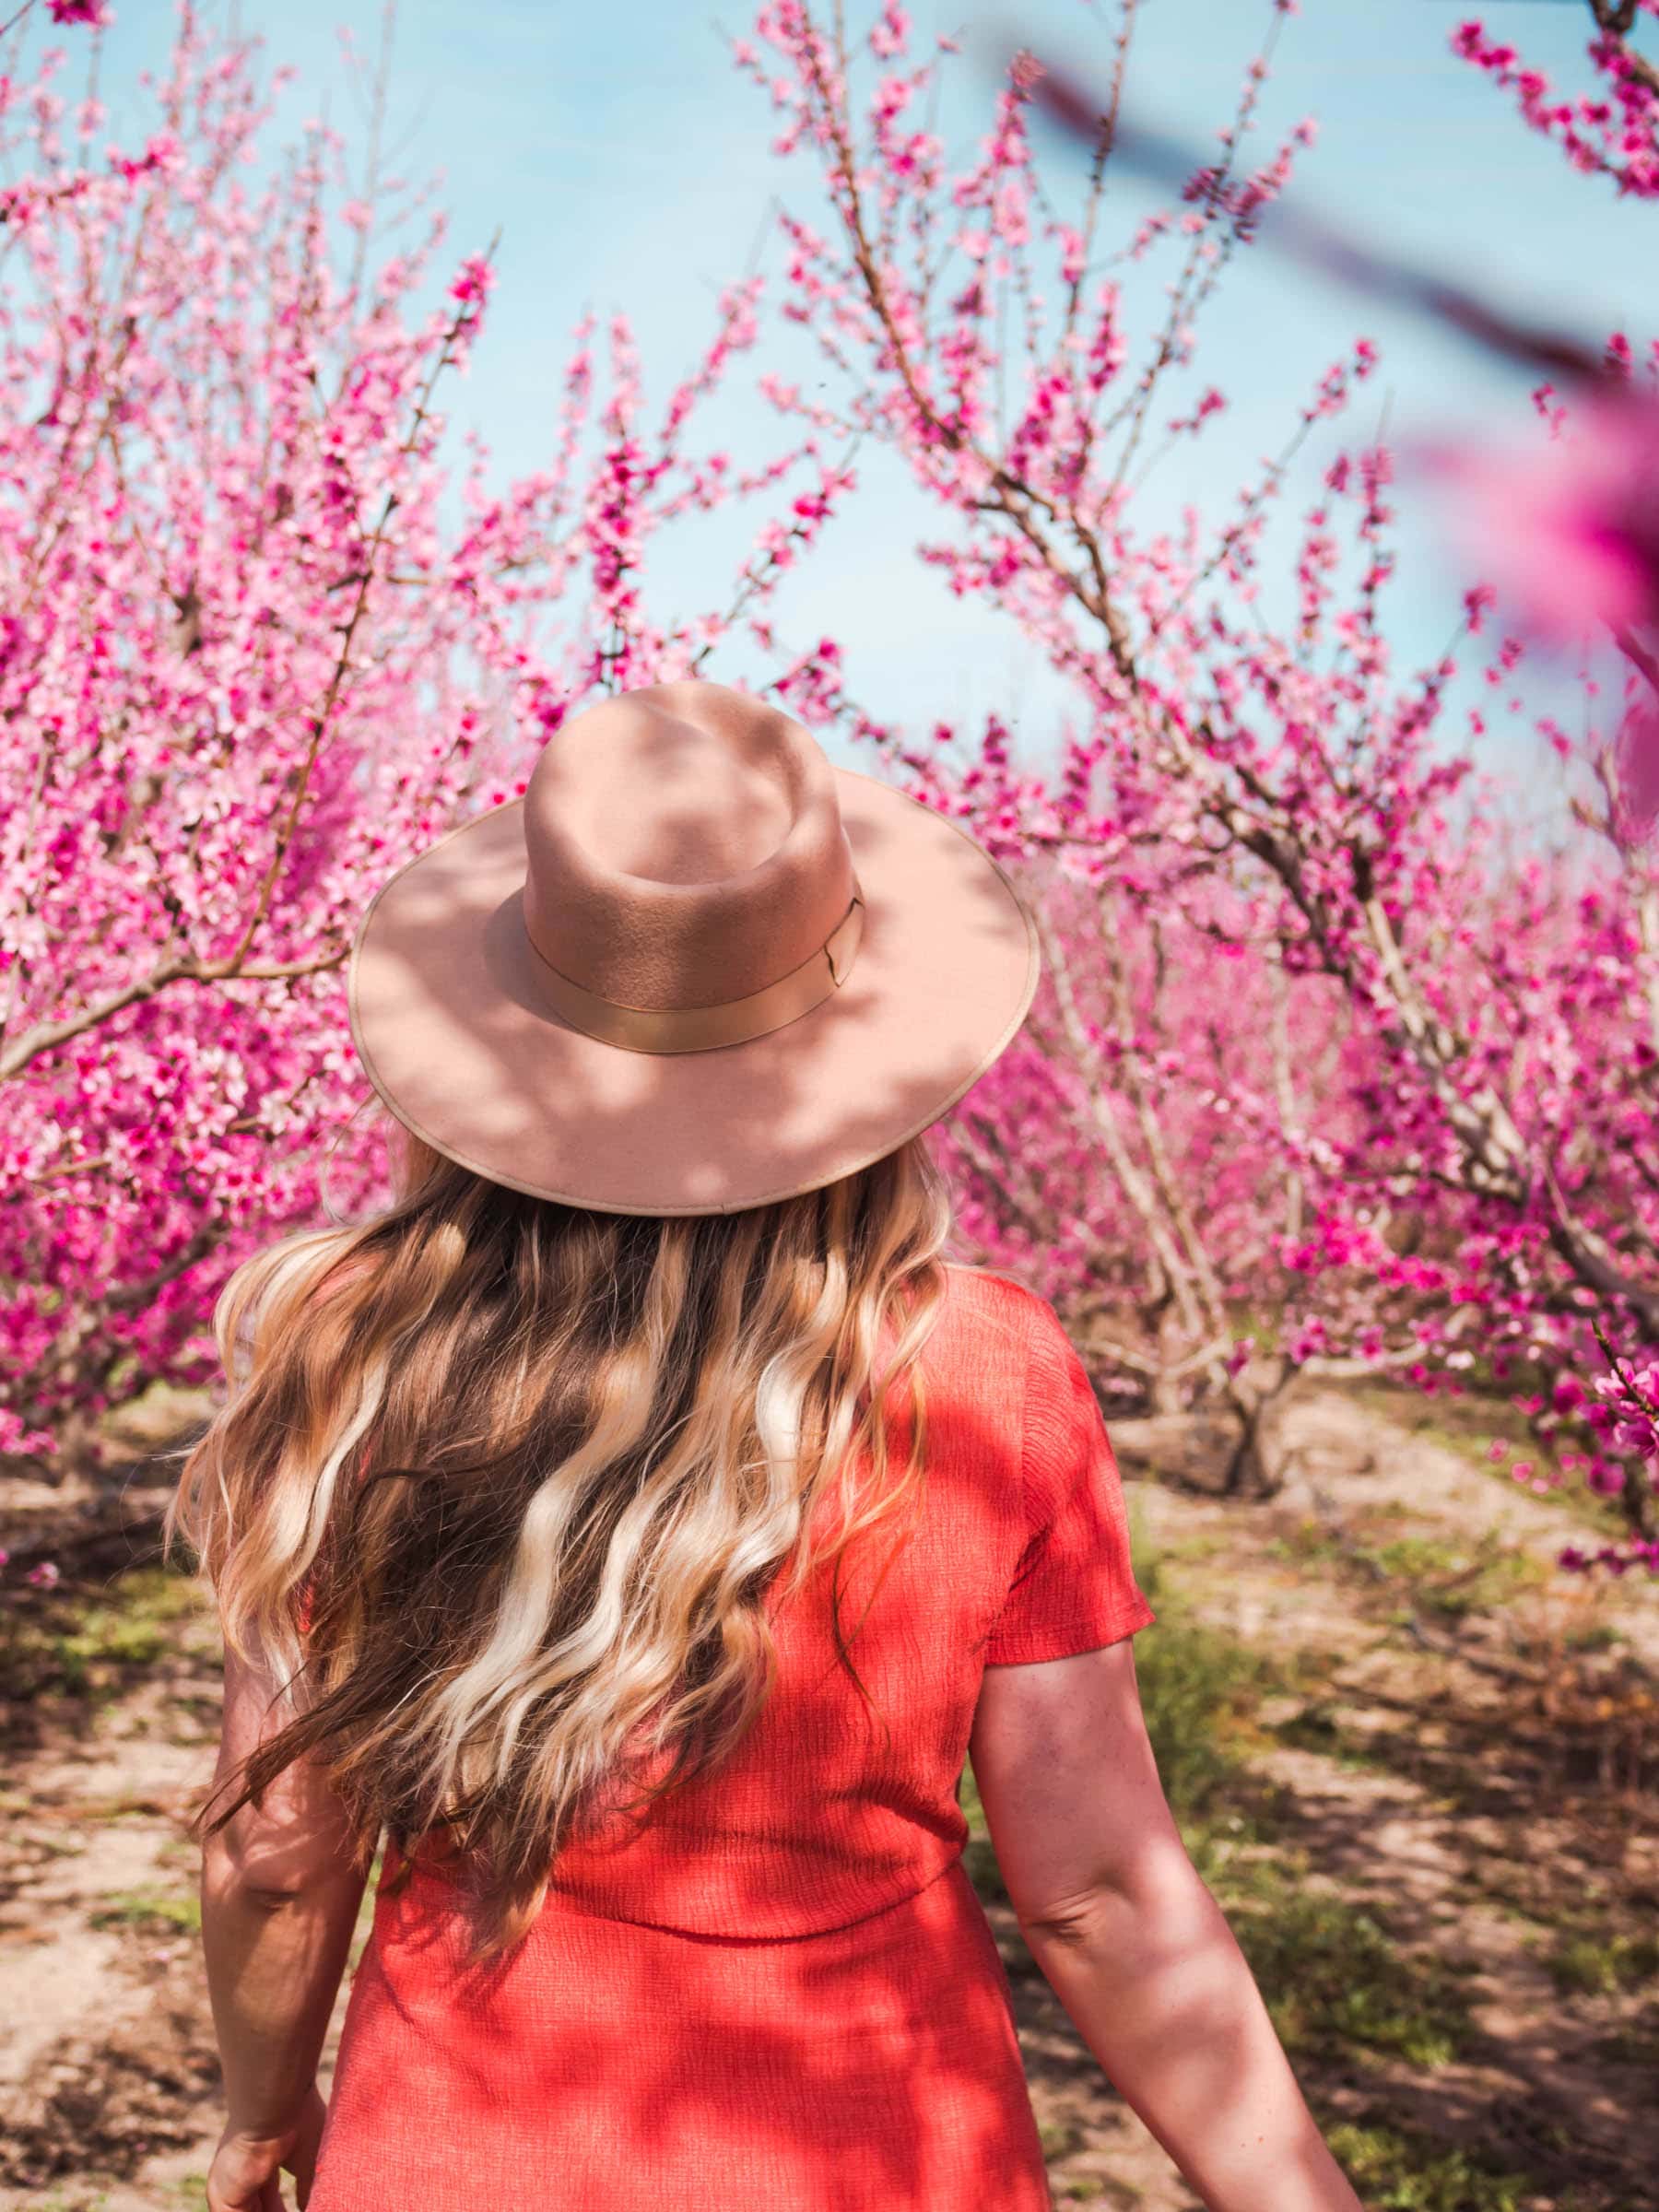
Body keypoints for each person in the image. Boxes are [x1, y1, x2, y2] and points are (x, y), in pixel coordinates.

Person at [168, 680, 1366, 2212]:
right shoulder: (985, 1372)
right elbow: (1100, 1894)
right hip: (878, 2153)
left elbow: (281, 1846)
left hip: (455, 2159)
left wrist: (264, 2109)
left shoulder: (354, 1347)